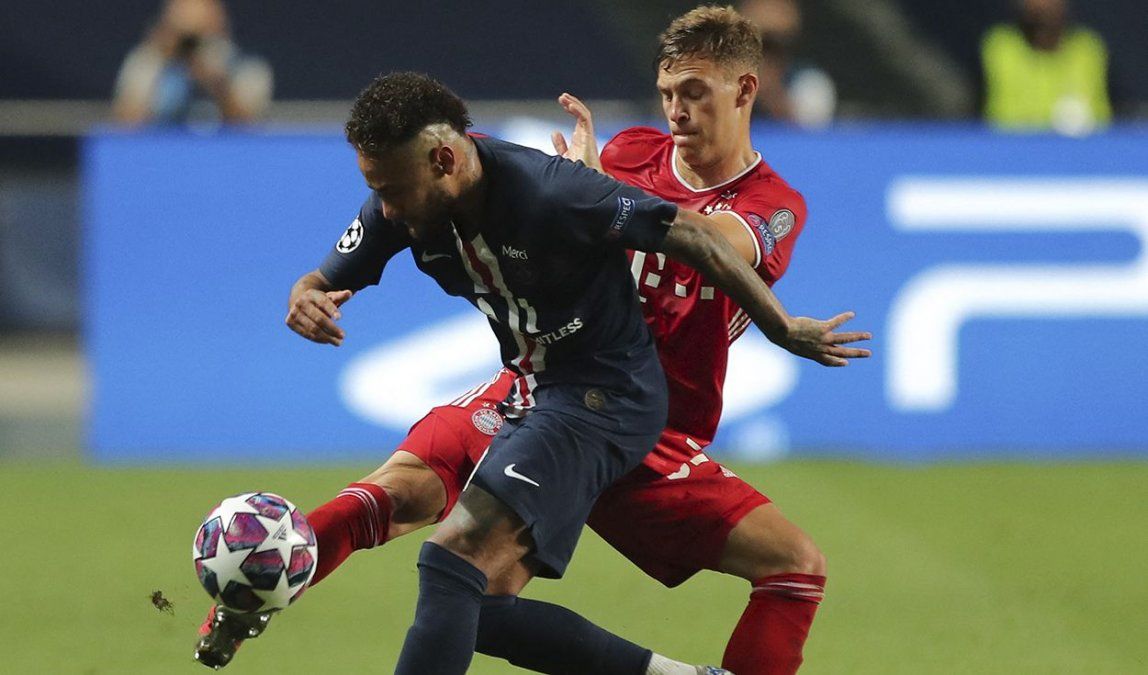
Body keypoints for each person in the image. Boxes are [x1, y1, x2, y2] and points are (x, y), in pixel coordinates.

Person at [195, 9, 871, 675]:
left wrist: (592, 189)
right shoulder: (630, 153)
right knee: (408, 513)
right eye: (668, 92)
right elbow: (425, 194)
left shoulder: (770, 202)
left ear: (745, 91)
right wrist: (318, 281)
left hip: (644, 422)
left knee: (794, 565)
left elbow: (711, 245)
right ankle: (246, 590)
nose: (676, 111)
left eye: (694, 93)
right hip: (539, 383)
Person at [112, 0, 272, 126]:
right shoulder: (146, 63)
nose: (192, 45)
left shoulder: (246, 69)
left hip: (227, 161)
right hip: (161, 159)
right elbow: (125, 129)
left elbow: (250, 131)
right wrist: (162, 60)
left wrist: (215, 81)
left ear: (219, 24)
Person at [981, 0, 1111, 134]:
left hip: (1077, 148)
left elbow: (1099, 117)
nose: (1044, 6)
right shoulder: (1002, 46)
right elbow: (1004, 117)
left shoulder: (1087, 48)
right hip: (1014, 148)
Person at [737, 0, 835, 128]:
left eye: (772, 47)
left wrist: (772, 93)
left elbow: (812, 132)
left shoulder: (809, 82)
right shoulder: (725, 80)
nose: (765, 59)